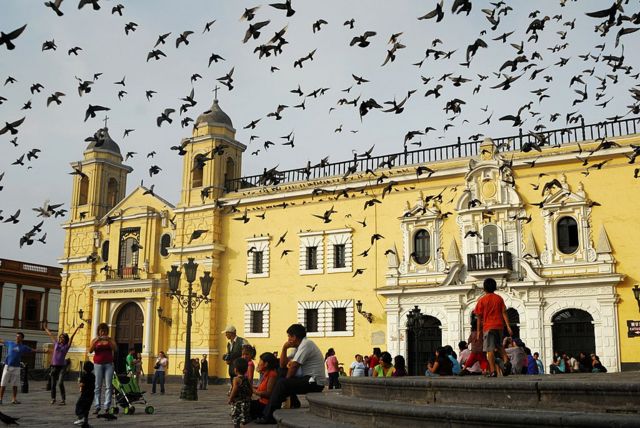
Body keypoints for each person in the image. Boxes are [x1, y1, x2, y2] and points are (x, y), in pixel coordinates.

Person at [255, 324, 325, 425]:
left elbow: (294, 366)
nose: (288, 339)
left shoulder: (306, 344)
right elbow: (282, 364)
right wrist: (284, 348)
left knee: (282, 383)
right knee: (281, 372)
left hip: (315, 382)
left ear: (294, 337)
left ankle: (269, 416)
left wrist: (284, 382)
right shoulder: (299, 347)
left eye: (289, 336)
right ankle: (292, 402)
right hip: (306, 379)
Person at [473, 277, 512, 377]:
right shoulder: (499, 299)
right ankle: (506, 361)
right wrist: (508, 326)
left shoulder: (482, 300)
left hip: (488, 327)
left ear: (484, 288)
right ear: (495, 287)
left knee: (489, 349)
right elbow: (504, 312)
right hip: (499, 326)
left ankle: (493, 371)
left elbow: (479, 318)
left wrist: (478, 332)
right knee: (499, 346)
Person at [44, 321, 83, 405]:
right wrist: (46, 329)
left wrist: (77, 328)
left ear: (65, 339)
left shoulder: (66, 346)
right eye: (60, 337)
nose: (61, 338)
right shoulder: (56, 344)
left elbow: (72, 337)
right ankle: (53, 398)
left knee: (60, 383)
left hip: (62, 367)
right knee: (53, 384)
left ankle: (63, 399)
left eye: (62, 338)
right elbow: (51, 335)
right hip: (53, 366)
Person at [0, 332, 44, 404]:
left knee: (15, 384)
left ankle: (14, 399)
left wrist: (44, 351)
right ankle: (0, 399)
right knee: (3, 383)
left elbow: (33, 350)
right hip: (8, 366)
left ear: (22, 338)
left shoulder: (23, 347)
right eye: (17, 336)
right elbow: (1, 341)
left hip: (16, 367)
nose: (17, 338)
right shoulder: (10, 343)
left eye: (19, 337)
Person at [89, 323, 116, 415]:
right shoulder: (95, 340)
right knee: (97, 386)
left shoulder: (110, 340)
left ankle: (107, 406)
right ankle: (97, 406)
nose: (103, 332)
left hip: (109, 364)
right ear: (99, 331)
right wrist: (96, 340)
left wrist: (109, 340)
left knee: (108, 386)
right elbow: (90, 350)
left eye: (104, 330)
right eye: (101, 330)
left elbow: (115, 349)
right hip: (98, 365)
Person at [250, 352, 279, 420]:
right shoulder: (266, 373)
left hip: (265, 406)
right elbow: (261, 387)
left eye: (260, 361)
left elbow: (268, 393)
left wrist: (254, 391)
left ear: (266, 364)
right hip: (260, 402)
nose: (259, 363)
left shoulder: (272, 374)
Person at [74, 361, 95, 428]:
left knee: (78, 406)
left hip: (84, 395)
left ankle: (81, 417)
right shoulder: (93, 376)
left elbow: (82, 384)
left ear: (84, 368)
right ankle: (85, 423)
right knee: (87, 409)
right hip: (91, 395)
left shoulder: (84, 376)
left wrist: (79, 382)